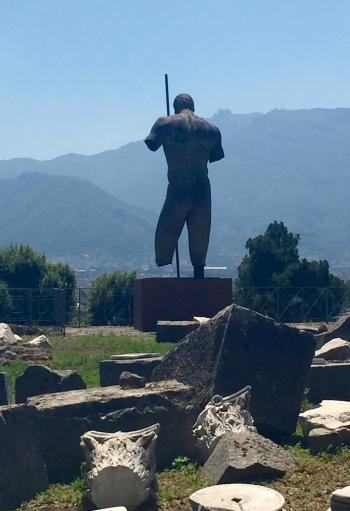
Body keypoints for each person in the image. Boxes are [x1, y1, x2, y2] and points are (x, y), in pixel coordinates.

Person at [145, 93, 224, 278]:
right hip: (202, 189)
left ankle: (163, 261)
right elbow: (215, 156)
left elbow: (151, 143)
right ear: (193, 107)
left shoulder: (164, 124)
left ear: (175, 108)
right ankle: (199, 270)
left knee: (167, 227)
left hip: (178, 187)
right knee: (201, 231)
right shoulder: (212, 130)